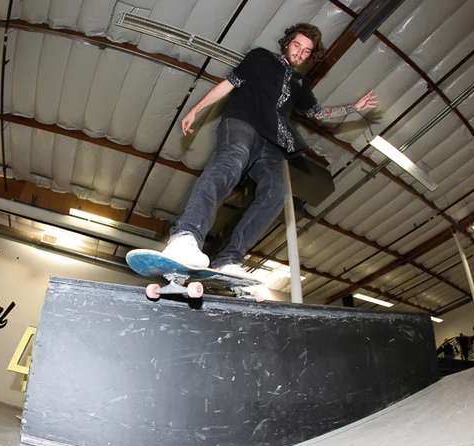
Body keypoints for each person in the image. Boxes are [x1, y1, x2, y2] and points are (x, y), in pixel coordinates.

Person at [161, 23, 379, 275]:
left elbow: (318, 112)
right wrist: (195, 109)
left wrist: (353, 107)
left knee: (276, 193)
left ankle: (229, 259)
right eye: (297, 45)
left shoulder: (300, 83)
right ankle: (186, 236)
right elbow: (228, 84)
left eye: (306, 51)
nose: (300, 53)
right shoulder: (260, 57)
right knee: (231, 162)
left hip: (274, 141)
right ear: (287, 42)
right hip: (243, 122)